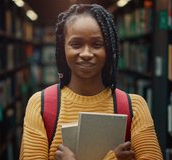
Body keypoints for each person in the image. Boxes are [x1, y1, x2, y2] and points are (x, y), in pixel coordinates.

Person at [19, 3, 162, 160]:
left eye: (97, 44)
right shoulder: (40, 105)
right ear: (63, 48)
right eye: (76, 44)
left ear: (109, 48)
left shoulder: (134, 108)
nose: (86, 53)